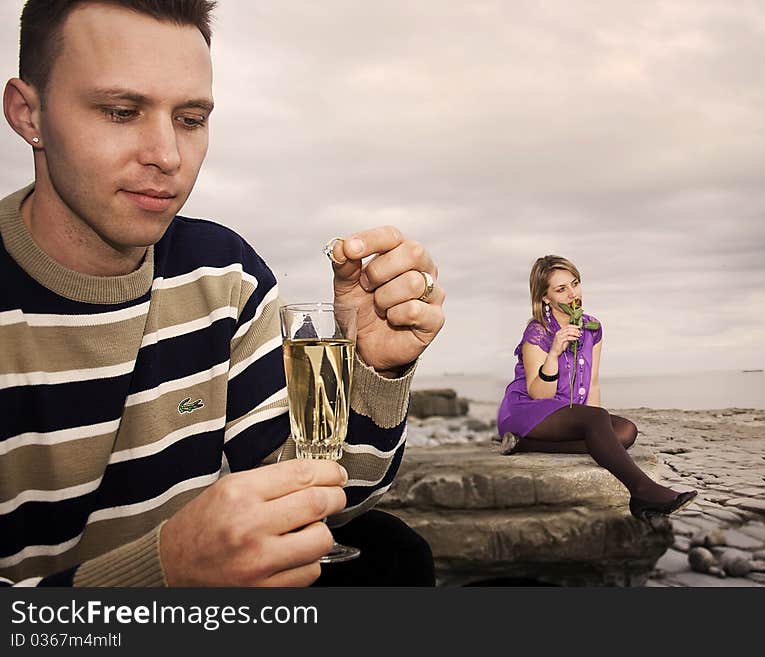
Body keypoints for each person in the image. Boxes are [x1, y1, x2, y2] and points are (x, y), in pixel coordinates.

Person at [0, 0, 445, 587]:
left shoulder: (223, 273)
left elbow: (330, 497)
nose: (167, 155)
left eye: (190, 119)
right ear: (28, 113)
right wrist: (163, 574)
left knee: (389, 552)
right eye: (121, 111)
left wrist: (372, 371)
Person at [496, 255, 696, 520]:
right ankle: (642, 491)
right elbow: (538, 393)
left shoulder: (592, 327)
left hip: (565, 413)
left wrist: (593, 423)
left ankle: (524, 445)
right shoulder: (538, 332)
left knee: (625, 432)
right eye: (561, 289)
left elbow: (592, 383)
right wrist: (554, 352)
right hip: (527, 409)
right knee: (600, 423)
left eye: (575, 284)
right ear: (545, 297)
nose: (572, 294)